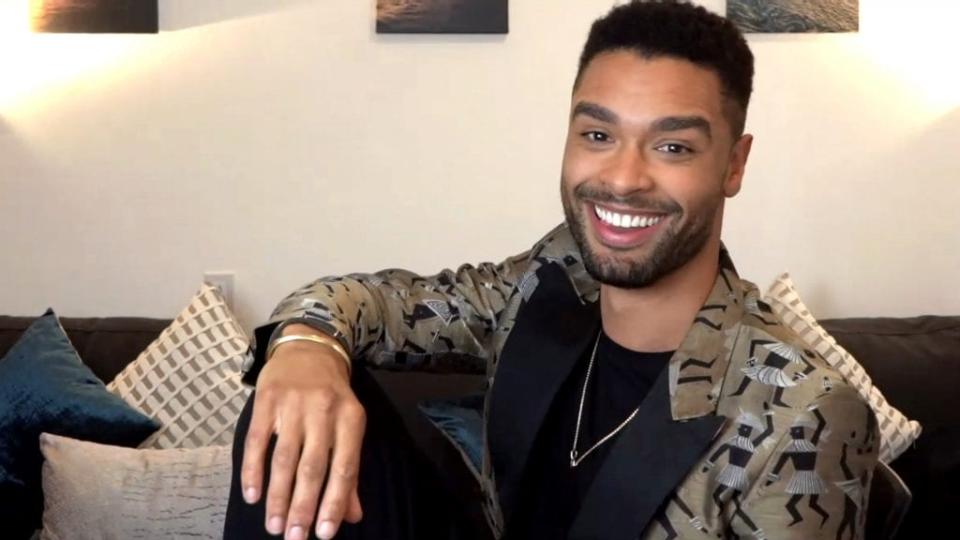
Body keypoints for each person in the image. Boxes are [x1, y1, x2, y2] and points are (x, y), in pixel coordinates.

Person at [224, 1, 879, 539]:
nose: (622, 178)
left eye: (673, 146)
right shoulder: (553, 275)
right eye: (597, 136)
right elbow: (373, 302)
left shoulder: (806, 413)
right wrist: (306, 347)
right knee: (289, 409)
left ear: (733, 166)